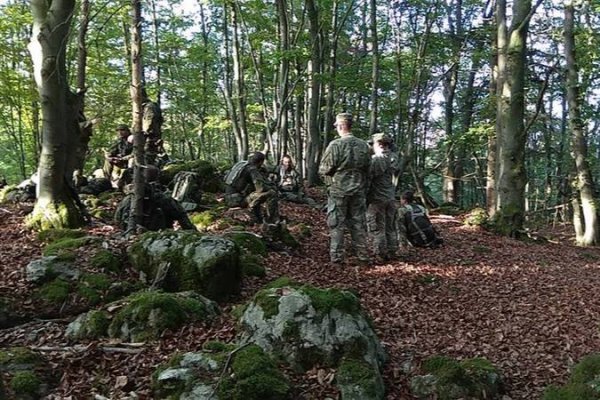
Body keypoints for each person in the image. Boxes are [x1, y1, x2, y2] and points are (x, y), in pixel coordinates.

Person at [319, 113, 371, 266]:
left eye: (337, 126)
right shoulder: (364, 145)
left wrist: (330, 180)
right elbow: (369, 168)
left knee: (336, 224)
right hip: (359, 190)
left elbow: (324, 169)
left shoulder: (335, 145)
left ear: (341, 126)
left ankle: (337, 258)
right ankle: (362, 256)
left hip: (338, 190)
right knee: (358, 223)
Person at [114, 165, 196, 231]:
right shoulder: (164, 199)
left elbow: (117, 219)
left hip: (129, 237)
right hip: (158, 237)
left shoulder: (129, 198)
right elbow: (184, 220)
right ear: (157, 178)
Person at [367, 133, 399, 262]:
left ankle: (380, 254)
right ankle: (392, 251)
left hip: (377, 198)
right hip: (391, 197)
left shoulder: (376, 159)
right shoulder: (394, 157)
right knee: (390, 226)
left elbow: (369, 177)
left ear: (379, 144)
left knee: (377, 227)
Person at [224, 151, 280, 224]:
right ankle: (272, 220)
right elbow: (260, 188)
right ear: (260, 162)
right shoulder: (252, 169)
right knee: (271, 193)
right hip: (238, 201)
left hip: (229, 198)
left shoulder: (241, 164)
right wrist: (271, 187)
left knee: (253, 191)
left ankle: (258, 217)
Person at [142, 89, 164, 166]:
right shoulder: (149, 106)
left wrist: (145, 131)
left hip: (150, 136)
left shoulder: (149, 106)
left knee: (148, 156)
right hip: (153, 135)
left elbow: (150, 119)